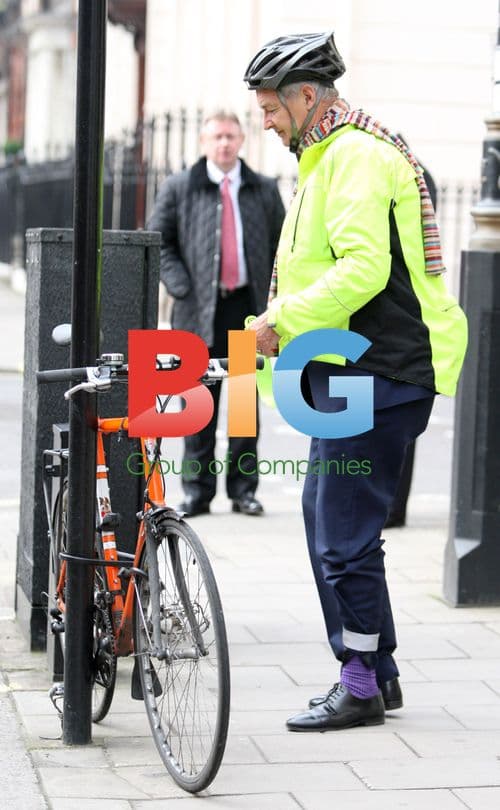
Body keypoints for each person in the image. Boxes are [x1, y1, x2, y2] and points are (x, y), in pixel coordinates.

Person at [244, 32, 467, 730]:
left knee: (342, 534)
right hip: (353, 367)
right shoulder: (328, 156)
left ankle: (363, 681)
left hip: (382, 367)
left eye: (271, 108)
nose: (267, 122)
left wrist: (280, 318)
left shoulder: (358, 158)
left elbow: (364, 270)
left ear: (307, 96)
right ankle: (378, 672)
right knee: (324, 520)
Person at [148, 110, 285, 517]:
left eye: (230, 136)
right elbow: (160, 241)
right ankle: (197, 492)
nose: (224, 143)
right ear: (204, 143)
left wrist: (274, 300)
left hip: (245, 311)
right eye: (216, 137)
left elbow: (282, 246)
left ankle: (244, 491)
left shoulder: (262, 189)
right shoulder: (180, 187)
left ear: (241, 140)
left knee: (244, 407)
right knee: (197, 407)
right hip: (196, 313)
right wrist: (181, 287)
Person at [385, 136, 438, 529]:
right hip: (205, 308)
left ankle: (242, 486)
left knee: (396, 421)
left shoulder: (412, 179)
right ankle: (211, 487)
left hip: (400, 321)